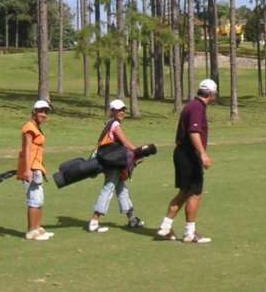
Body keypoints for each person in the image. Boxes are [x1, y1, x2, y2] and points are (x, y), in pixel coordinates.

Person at [155, 79, 217, 244]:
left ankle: (165, 227)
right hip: (189, 155)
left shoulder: (192, 105)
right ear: (212, 94)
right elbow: (194, 132)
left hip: (182, 153)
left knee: (185, 192)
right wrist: (203, 154)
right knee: (195, 193)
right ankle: (190, 233)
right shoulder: (197, 107)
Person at [87, 99, 145, 233]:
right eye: (119, 110)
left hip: (113, 162)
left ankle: (132, 219)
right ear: (112, 111)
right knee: (108, 188)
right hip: (113, 163)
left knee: (122, 190)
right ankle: (94, 221)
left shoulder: (109, 124)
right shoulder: (115, 125)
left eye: (123, 110)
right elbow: (125, 143)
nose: (122, 112)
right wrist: (139, 152)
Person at [18, 99, 54, 241]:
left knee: (39, 199)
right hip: (30, 168)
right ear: (34, 112)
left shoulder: (37, 127)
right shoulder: (29, 127)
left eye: (45, 112)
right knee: (34, 199)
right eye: (41, 111)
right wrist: (27, 170)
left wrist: (42, 168)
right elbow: (27, 149)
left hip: (37, 167)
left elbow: (38, 151)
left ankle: (37, 228)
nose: (43, 114)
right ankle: (32, 231)